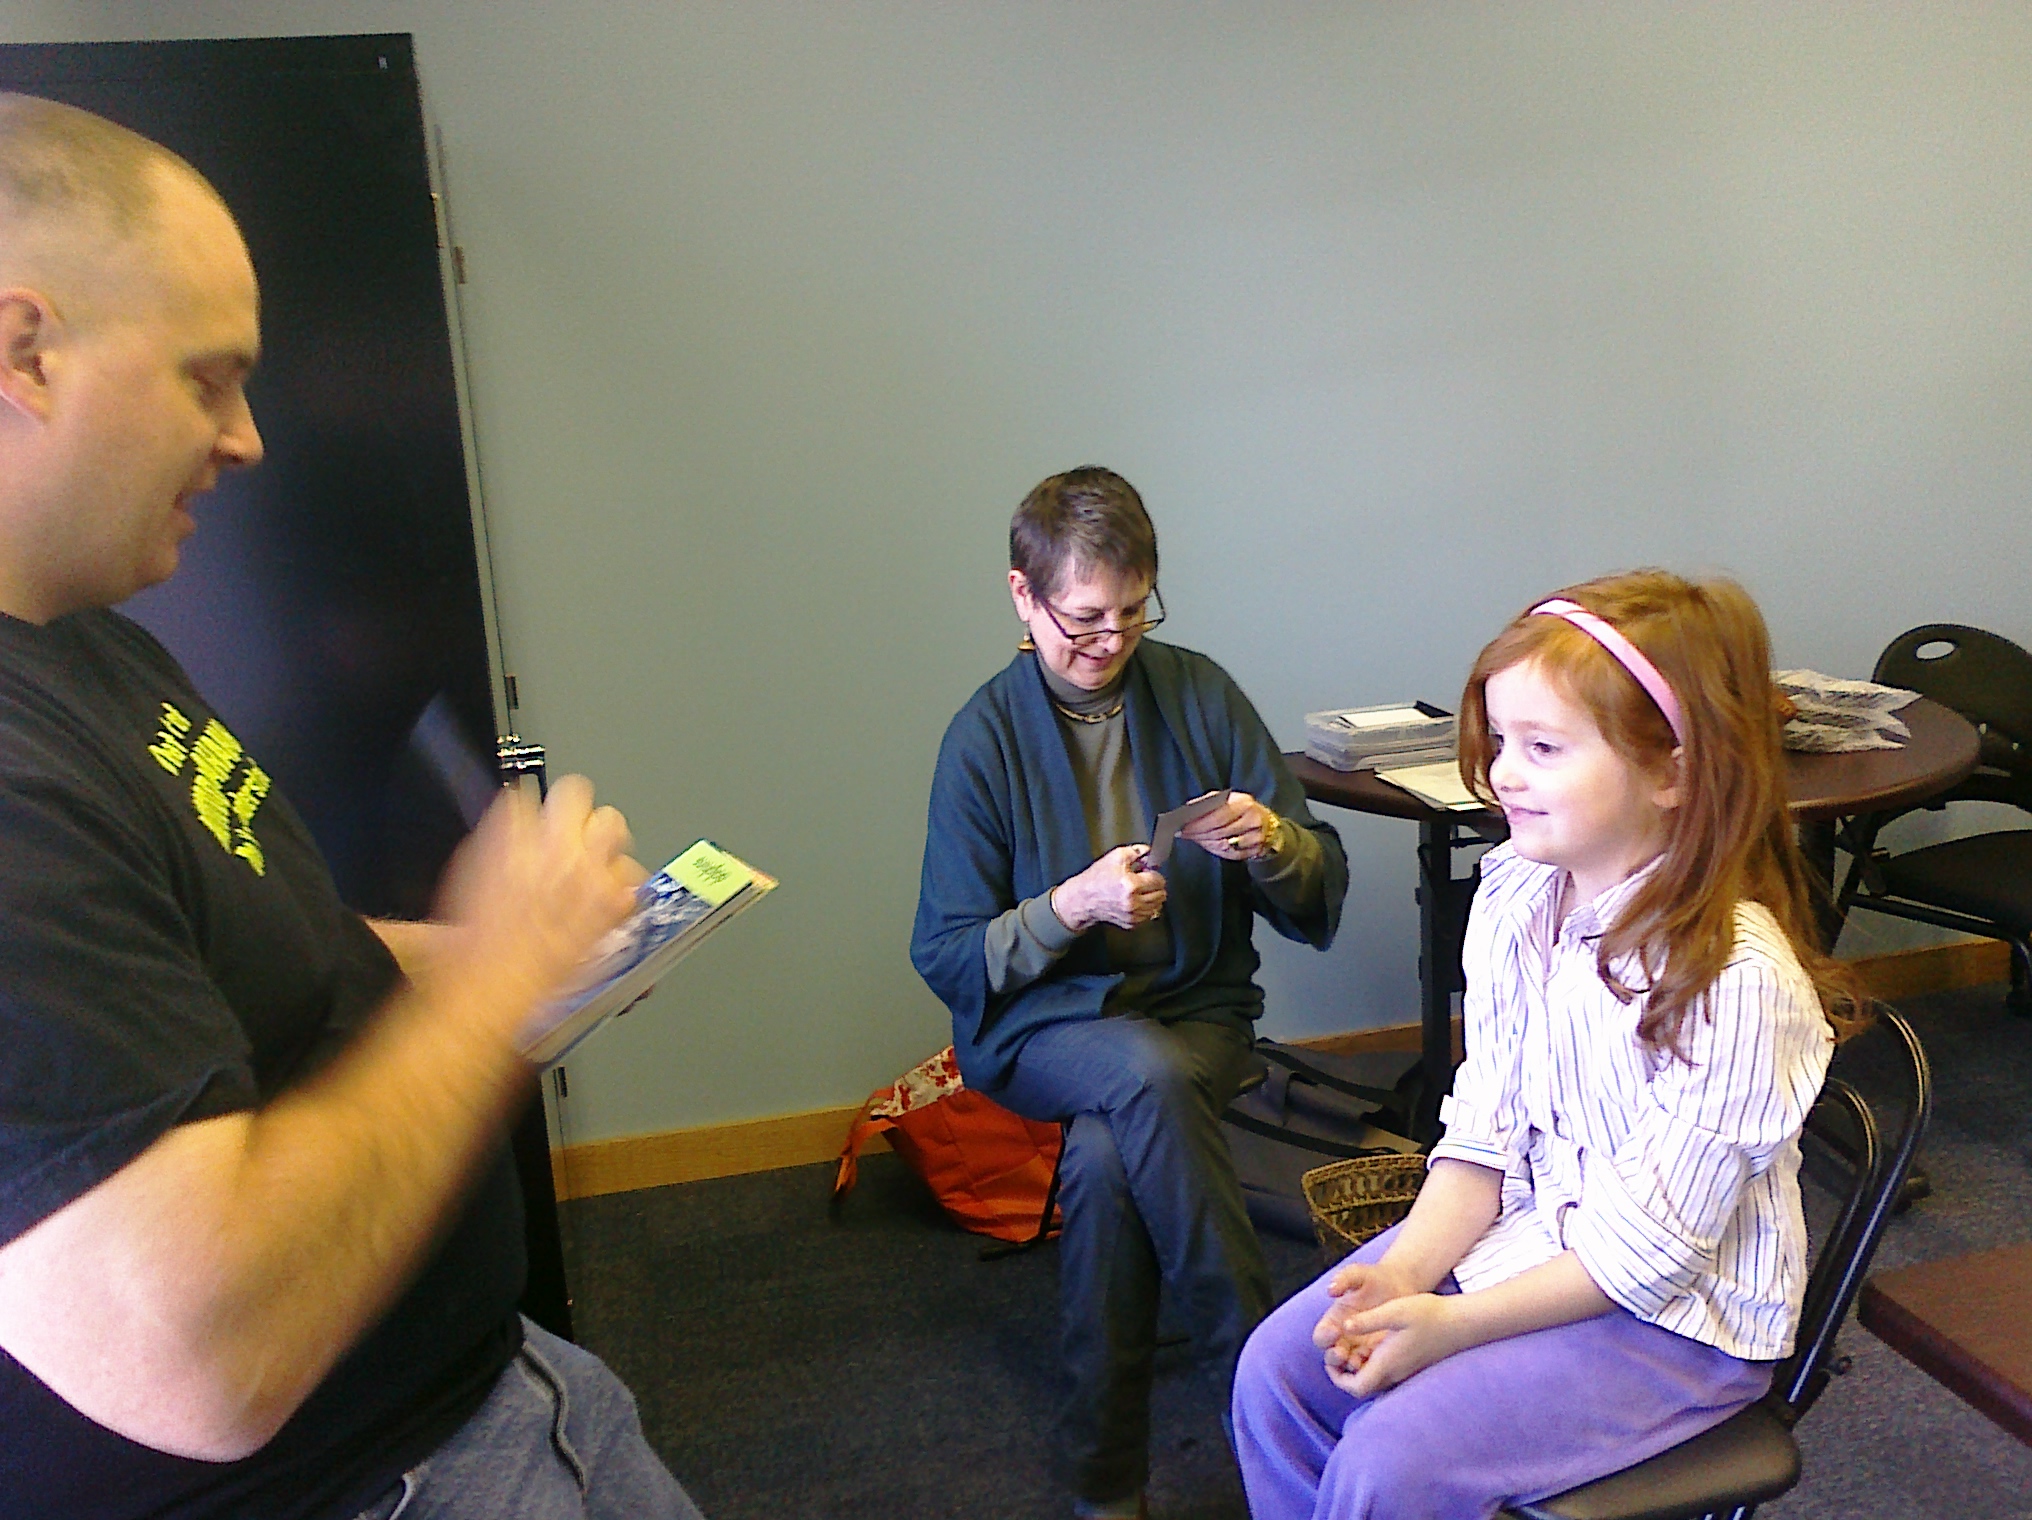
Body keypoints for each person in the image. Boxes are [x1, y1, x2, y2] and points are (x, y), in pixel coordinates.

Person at [0, 94, 702, 1519]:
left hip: (492, 1394)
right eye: (210, 379)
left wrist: (509, 952)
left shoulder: (91, 647)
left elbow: (246, 955)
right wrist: (493, 977)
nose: (247, 439)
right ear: (26, 353)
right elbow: (205, 1360)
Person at [1230, 570, 1865, 1520]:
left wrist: (1451, 1325)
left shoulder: (1735, 980)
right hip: (1534, 1240)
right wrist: (1403, 1276)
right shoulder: (1515, 896)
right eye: (1499, 740)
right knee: (1276, 1374)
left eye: (1543, 747)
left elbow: (1645, 1257)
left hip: (1680, 1322)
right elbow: (1482, 1137)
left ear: (1674, 773)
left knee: (1392, 1461)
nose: (1504, 774)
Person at [911, 466, 1350, 1519]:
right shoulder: (983, 737)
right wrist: (1071, 906)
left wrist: (1271, 841)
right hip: (1044, 1031)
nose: (1111, 639)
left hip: (1197, 1011)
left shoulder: (1198, 691)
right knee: (1140, 1078)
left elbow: (1319, 886)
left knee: (1108, 1163)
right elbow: (948, 954)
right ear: (1022, 596)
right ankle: (1271, 1395)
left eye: (1133, 611)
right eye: (1083, 618)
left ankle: (1102, 1483)